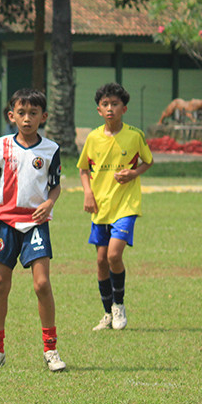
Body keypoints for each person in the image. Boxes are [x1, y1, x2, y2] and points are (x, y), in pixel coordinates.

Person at [0, 88, 66, 373]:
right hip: (5, 222)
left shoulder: (51, 149)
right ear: (11, 115)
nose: (27, 119)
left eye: (33, 113)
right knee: (0, 285)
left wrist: (49, 203)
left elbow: (55, 185)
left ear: (44, 116)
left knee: (41, 284)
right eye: (21, 113)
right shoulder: (2, 145)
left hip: (36, 224)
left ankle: (51, 350)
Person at [78, 83, 153, 331]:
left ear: (124, 108)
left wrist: (133, 173)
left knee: (113, 255)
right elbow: (83, 169)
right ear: (99, 110)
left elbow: (147, 162)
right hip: (100, 206)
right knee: (101, 261)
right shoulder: (93, 137)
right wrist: (88, 193)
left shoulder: (135, 135)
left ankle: (119, 306)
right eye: (105, 105)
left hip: (126, 205)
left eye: (115, 104)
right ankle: (107, 313)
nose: (110, 108)